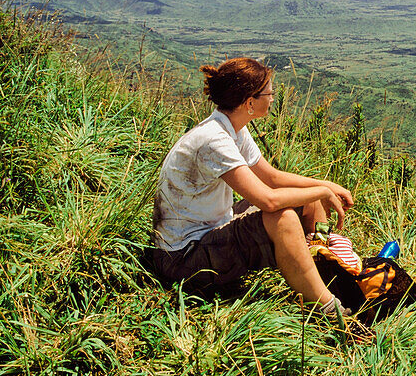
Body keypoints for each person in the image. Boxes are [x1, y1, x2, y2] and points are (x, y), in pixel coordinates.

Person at [151, 57, 355, 320]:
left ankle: (324, 272)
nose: (272, 99)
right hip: (183, 259)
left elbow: (272, 178)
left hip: (207, 231)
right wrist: (321, 192)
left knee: (307, 201)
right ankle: (333, 312)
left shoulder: (232, 128)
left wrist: (324, 186)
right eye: (269, 93)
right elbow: (269, 200)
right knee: (282, 218)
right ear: (249, 102)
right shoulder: (214, 141)